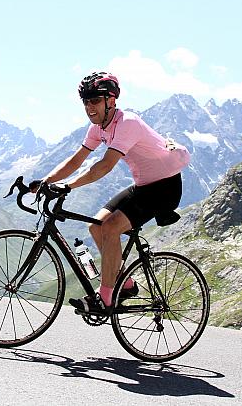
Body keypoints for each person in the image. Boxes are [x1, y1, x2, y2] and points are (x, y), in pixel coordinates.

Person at [32, 71, 190, 315]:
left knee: (111, 227)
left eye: (94, 100)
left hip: (165, 187)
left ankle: (105, 299)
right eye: (85, 101)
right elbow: (76, 160)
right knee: (96, 225)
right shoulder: (98, 128)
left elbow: (104, 166)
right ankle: (125, 285)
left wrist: (68, 186)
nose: (89, 107)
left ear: (111, 101)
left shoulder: (128, 123)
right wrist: (46, 181)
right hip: (144, 186)